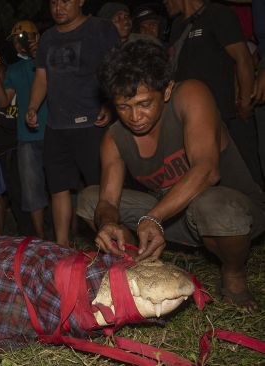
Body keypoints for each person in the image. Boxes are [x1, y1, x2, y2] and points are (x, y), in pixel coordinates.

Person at [77, 40, 265, 312]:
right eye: (123, 106)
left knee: (211, 204)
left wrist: (153, 217)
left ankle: (233, 272)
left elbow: (207, 170)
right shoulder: (114, 138)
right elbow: (107, 201)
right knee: (89, 201)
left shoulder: (190, 95)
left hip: (235, 213)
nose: (134, 116)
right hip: (174, 218)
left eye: (144, 104)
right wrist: (107, 223)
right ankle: (141, 266)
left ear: (166, 90)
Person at [27, 0, 118, 246]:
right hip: (56, 126)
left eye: (65, 1)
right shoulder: (47, 38)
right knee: (57, 187)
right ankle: (62, 248)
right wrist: (33, 107)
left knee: (100, 188)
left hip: (92, 124)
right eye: (53, 2)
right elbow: (41, 78)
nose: (58, 7)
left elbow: (115, 69)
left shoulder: (100, 29)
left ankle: (111, 243)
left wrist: (110, 104)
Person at [166, 0, 262, 187]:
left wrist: (244, 103)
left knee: (248, 179)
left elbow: (243, 58)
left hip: (227, 116)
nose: (164, 3)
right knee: (211, 178)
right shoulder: (177, 26)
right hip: (193, 121)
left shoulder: (218, 14)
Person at [0, 20, 48, 238]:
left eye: (23, 37)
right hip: (27, 137)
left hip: (53, 131)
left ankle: (68, 237)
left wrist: (39, 55)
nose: (18, 43)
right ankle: (41, 239)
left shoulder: (48, 60)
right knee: (31, 191)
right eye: (15, 40)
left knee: (62, 186)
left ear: (37, 37)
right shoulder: (13, 69)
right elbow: (4, 103)